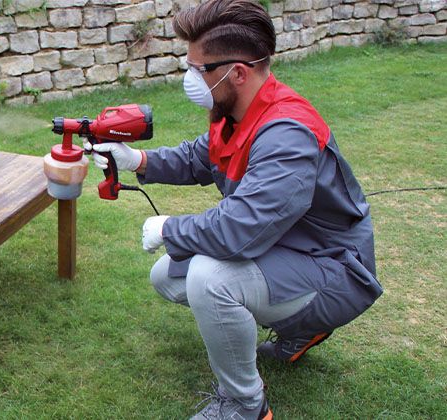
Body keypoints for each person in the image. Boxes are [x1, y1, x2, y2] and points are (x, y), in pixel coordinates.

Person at [85, 0, 383, 418]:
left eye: (197, 69)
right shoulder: (239, 111)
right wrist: (138, 161)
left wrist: (170, 228)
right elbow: (200, 157)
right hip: (288, 249)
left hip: (333, 269)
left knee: (210, 278)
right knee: (167, 278)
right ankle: (303, 328)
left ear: (237, 72)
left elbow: (238, 229)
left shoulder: (286, 135)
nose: (190, 78)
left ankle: (245, 405)